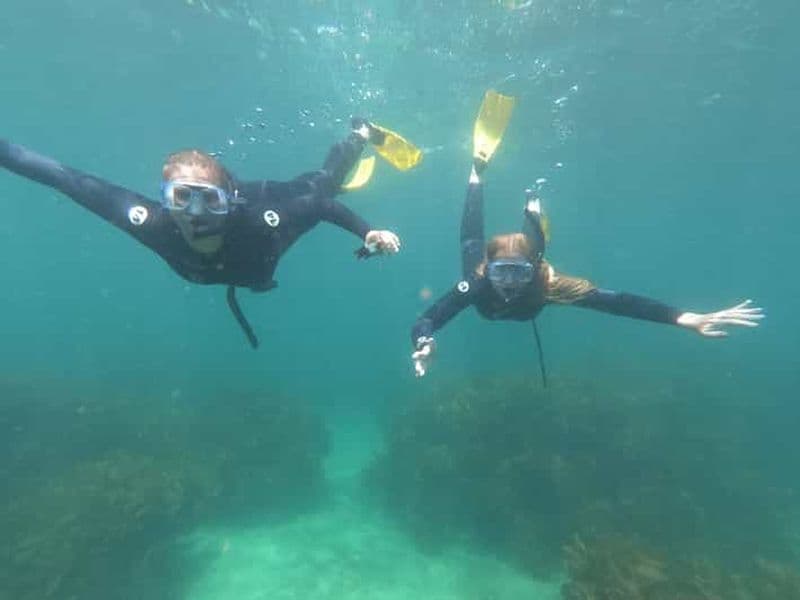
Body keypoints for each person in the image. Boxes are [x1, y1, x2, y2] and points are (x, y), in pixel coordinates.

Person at [411, 91, 764, 378]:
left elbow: (618, 303)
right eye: (501, 271)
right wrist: (425, 341)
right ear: (489, 268)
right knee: (471, 241)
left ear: (532, 271)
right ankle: (478, 174)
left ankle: (533, 210)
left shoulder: (546, 283)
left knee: (534, 244)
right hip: (493, 265)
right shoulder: (478, 281)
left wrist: (682, 318)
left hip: (535, 268)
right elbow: (428, 318)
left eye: (518, 273)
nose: (509, 283)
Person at [1, 118, 421, 348]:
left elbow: (321, 207)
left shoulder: (259, 221)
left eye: (210, 201)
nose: (196, 214)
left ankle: (358, 134)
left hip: (273, 220)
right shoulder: (154, 223)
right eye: (182, 198)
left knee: (323, 184)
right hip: (249, 261)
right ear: (164, 200)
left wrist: (368, 233)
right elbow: (66, 179)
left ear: (228, 202)